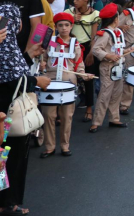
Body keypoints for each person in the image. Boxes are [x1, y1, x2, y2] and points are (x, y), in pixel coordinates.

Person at [0, 2, 50, 215]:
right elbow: (14, 81)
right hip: (9, 116)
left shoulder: (8, 46)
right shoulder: (4, 47)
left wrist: (28, 54)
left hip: (6, 114)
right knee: (10, 158)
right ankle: (8, 202)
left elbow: (13, 71)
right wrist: (37, 81)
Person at [40, 12, 91, 158]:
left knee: (67, 116)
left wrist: (83, 74)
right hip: (49, 82)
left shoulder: (75, 44)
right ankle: (49, 147)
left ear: (71, 26)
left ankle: (65, 145)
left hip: (68, 83)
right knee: (49, 115)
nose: (64, 28)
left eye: (67, 25)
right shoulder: (50, 41)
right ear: (55, 27)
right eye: (60, 25)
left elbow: (78, 63)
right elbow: (42, 58)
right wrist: (42, 64)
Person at [89, 3, 132, 132]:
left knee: (117, 93)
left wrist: (128, 50)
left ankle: (114, 118)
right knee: (105, 94)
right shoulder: (105, 34)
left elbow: (118, 50)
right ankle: (97, 121)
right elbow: (96, 50)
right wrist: (108, 55)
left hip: (118, 66)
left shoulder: (118, 32)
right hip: (108, 66)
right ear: (115, 19)